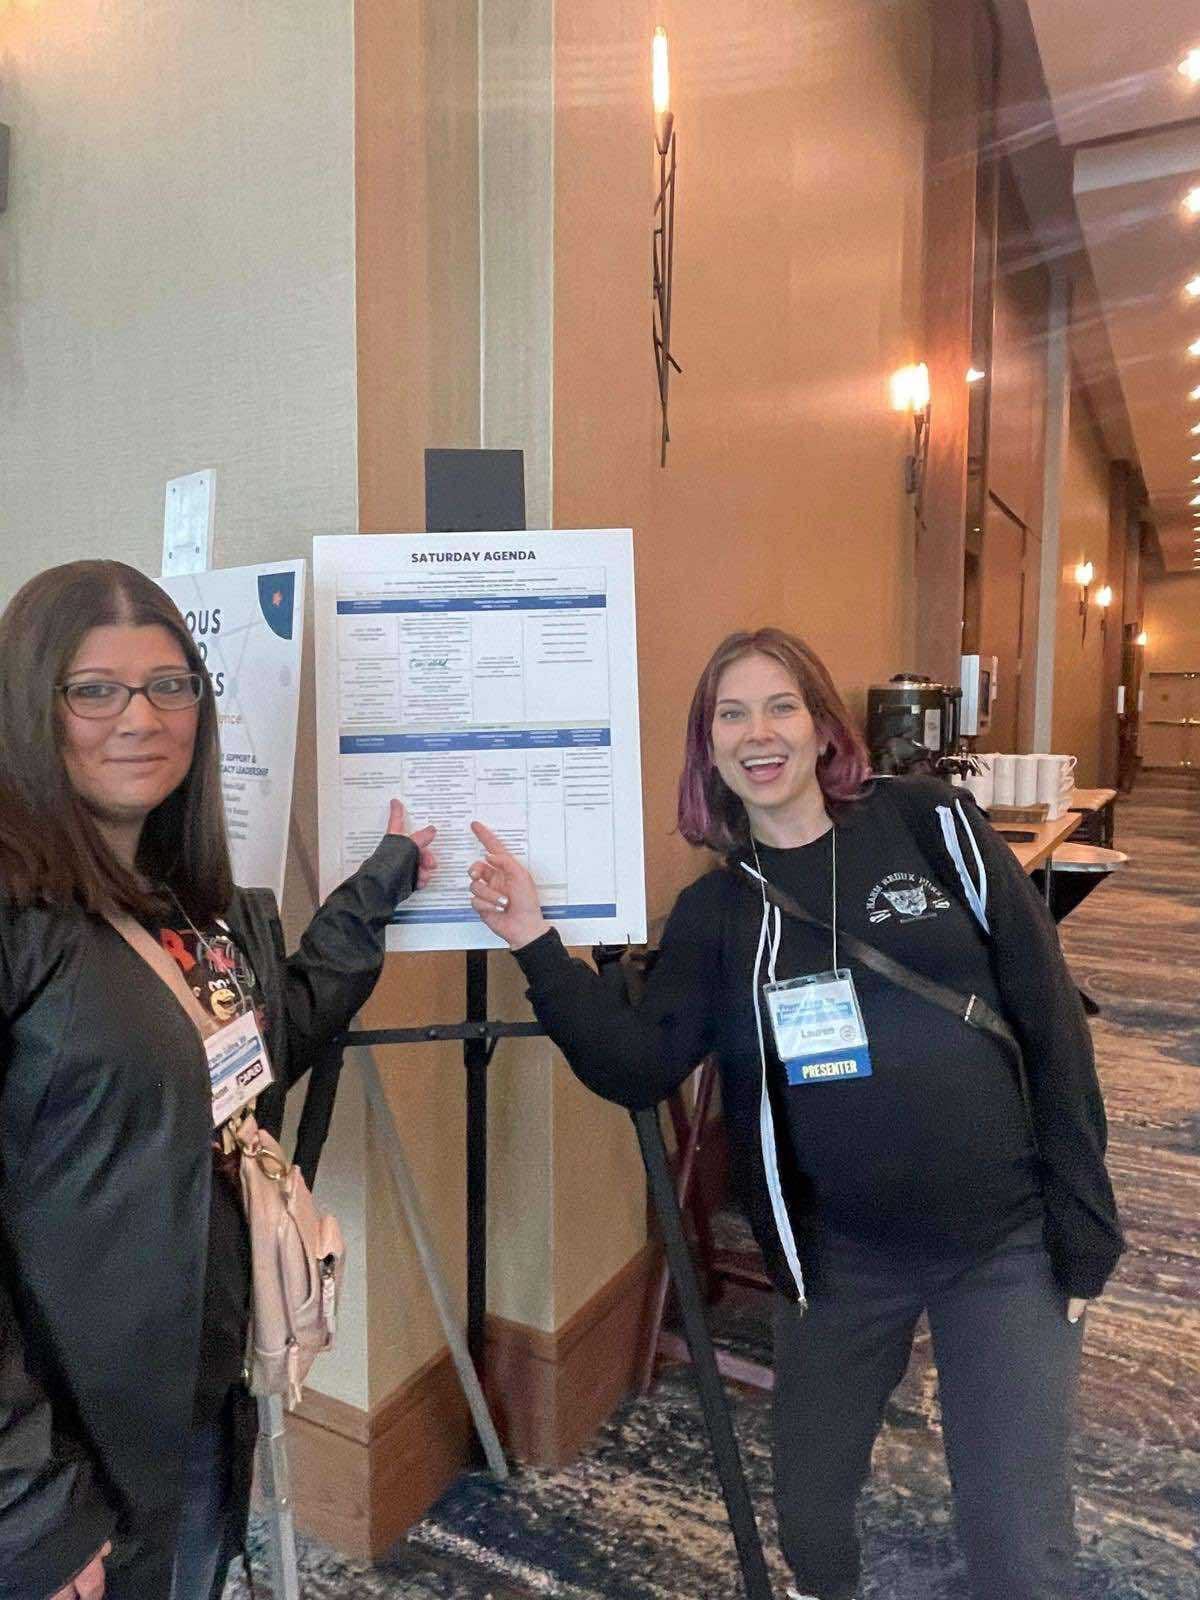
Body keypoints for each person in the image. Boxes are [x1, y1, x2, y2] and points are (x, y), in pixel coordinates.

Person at [466, 627, 1123, 1600]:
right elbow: (636, 1065)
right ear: (710, 748)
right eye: (731, 714)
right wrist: (533, 941)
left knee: (1024, 1550)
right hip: (842, 1259)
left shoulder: (931, 823)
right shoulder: (719, 915)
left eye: (780, 705)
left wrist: (1085, 1221)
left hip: (1006, 1237)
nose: (758, 732)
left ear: (822, 726)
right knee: (813, 1527)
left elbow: (1048, 1014)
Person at [0, 560, 435, 1600]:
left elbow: (267, 1037)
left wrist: (381, 885)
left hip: (202, 1405)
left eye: (170, 684)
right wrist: (29, 1509)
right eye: (94, 688)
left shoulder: (205, 908)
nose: (140, 716)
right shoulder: (19, 924)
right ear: (29, 706)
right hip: (66, 1452)